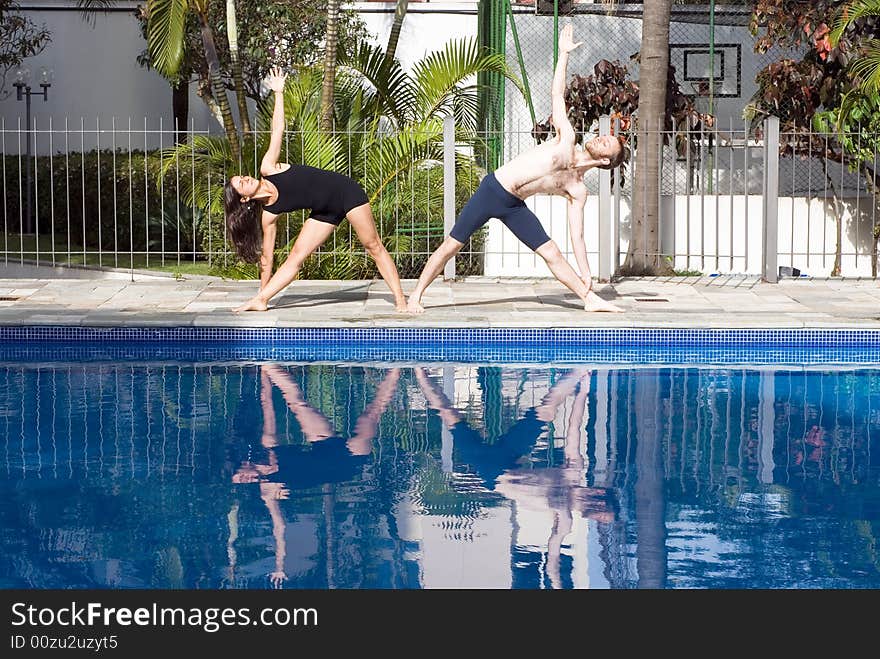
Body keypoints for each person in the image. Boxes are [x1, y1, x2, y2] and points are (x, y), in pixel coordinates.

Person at [406, 24, 626, 314]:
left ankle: (589, 300)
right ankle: (415, 297)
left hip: (513, 205)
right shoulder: (567, 140)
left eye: (606, 143)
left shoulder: (577, 190)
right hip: (493, 189)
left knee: (551, 252)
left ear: (604, 162)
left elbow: (578, 236)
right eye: (603, 135)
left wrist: (586, 271)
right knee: (452, 245)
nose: (600, 138)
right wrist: (563, 55)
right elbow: (557, 96)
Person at [225, 67, 407, 313]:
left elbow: (277, 130)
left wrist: (279, 92)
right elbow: (267, 258)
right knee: (295, 258)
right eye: (242, 183)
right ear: (244, 198)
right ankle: (261, 300)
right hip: (324, 212)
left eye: (243, 176)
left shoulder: (268, 167)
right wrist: (262, 291)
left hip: (347, 193)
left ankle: (400, 299)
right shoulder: (269, 215)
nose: (246, 178)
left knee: (373, 245)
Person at [232, 364, 401, 587]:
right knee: (373, 411)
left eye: (238, 474)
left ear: (244, 464)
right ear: (249, 477)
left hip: (324, 446)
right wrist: (281, 566)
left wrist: (265, 375)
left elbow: (268, 406)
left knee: (297, 402)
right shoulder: (268, 489)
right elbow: (279, 526)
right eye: (241, 479)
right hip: (347, 463)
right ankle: (397, 370)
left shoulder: (268, 446)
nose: (241, 476)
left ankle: (268, 362)